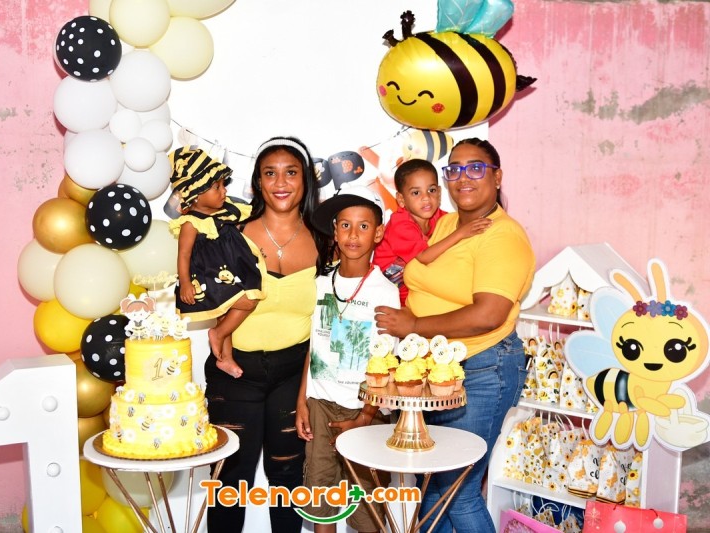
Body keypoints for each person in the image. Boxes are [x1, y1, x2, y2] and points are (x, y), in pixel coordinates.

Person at [375, 138, 535, 533]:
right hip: (438, 373)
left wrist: (414, 326)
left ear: (497, 177)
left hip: (482, 367)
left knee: (457, 490)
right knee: (435, 487)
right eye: (455, 169)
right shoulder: (446, 224)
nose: (464, 177)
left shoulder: (503, 236)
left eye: (476, 167)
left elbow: (488, 314)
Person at [204, 136, 328, 533]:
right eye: (270, 173)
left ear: (306, 180)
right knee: (229, 478)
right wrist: (222, 343)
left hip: (293, 374)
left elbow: (327, 321)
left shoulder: (326, 241)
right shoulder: (231, 234)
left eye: (291, 173)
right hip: (235, 372)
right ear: (258, 183)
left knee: (288, 476)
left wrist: (307, 389)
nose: (281, 183)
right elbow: (214, 303)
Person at [296, 186, 399, 533]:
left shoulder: (385, 292)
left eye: (363, 226)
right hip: (320, 405)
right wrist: (302, 400)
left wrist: (366, 415)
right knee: (321, 497)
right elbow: (313, 346)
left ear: (378, 233)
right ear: (335, 232)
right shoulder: (321, 283)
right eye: (345, 225)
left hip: (366, 409)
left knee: (367, 502)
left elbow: (385, 363)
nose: (353, 235)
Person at [169, 147, 266, 378]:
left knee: (225, 313)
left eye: (224, 185)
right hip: (208, 275)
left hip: (230, 269)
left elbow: (241, 232)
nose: (224, 191)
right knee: (249, 300)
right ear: (196, 192)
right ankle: (218, 334)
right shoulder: (191, 223)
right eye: (217, 187)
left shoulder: (224, 211)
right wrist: (185, 283)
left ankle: (225, 358)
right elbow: (183, 255)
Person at [373, 159, 491, 305]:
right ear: (401, 199)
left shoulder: (439, 217)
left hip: (415, 290)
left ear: (439, 193)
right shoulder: (400, 225)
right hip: (388, 296)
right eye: (416, 193)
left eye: (432, 190)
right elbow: (424, 257)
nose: (426, 198)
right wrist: (461, 233)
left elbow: (458, 222)